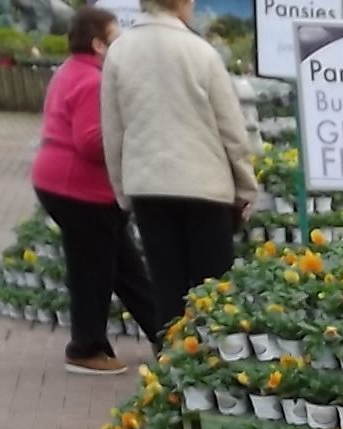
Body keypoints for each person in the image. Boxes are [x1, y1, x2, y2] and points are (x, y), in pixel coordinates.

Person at [101, 0, 257, 336]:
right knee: (213, 292)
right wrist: (246, 187)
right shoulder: (201, 52)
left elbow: (113, 132)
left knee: (165, 289)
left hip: (147, 186)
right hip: (204, 185)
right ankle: (212, 366)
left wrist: (122, 191)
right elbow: (232, 129)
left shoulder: (119, 52)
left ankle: (169, 373)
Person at [31, 6, 158, 373]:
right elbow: (89, 142)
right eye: (116, 38)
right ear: (99, 45)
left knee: (123, 266)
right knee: (94, 272)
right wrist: (134, 127)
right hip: (81, 191)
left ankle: (166, 333)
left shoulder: (71, 71)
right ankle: (85, 349)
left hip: (66, 185)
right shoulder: (92, 81)